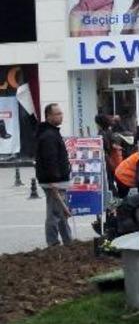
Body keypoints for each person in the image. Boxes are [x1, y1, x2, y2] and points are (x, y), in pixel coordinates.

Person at [35, 104, 72, 247]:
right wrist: (53, 180)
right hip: (53, 182)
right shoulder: (49, 135)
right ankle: (53, 243)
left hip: (57, 180)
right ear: (48, 116)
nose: (60, 116)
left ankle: (68, 241)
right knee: (55, 213)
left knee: (61, 213)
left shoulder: (52, 132)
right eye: (57, 114)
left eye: (61, 113)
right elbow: (50, 159)